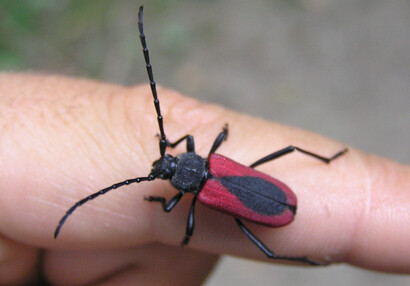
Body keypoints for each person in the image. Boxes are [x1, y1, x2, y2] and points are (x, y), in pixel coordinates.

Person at [0, 73, 408, 285]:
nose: (167, 165)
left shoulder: (196, 188)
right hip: (270, 201)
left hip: (275, 200)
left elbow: (189, 231)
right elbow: (183, 156)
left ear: (184, 167)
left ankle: (307, 252)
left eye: (171, 160)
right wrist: (167, 177)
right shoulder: (206, 159)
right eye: (168, 171)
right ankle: (309, 243)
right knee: (268, 238)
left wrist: (162, 204)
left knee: (266, 245)